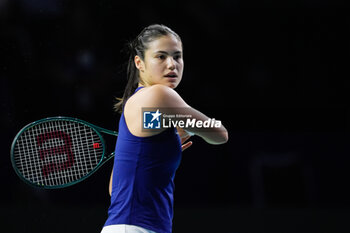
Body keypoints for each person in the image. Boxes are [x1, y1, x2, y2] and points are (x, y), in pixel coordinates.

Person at [101, 24, 228, 233]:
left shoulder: (136, 105)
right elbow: (219, 133)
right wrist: (188, 125)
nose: (172, 65)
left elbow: (113, 190)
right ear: (139, 63)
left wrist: (162, 143)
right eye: (161, 57)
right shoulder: (161, 94)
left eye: (177, 56)